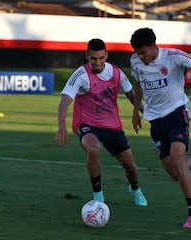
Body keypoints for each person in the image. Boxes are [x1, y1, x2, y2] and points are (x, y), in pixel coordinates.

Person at [129, 28, 191, 228]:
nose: (140, 57)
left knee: (177, 158)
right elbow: (138, 84)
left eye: (143, 52)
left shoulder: (173, 57)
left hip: (176, 114)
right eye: (137, 53)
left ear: (153, 45)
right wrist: (135, 111)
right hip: (155, 122)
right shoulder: (135, 61)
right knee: (176, 173)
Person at [54, 38, 147, 206]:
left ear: (106, 56)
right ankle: (98, 195)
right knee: (93, 149)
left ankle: (135, 189)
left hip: (112, 126)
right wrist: (62, 127)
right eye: (93, 59)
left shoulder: (117, 73)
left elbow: (132, 96)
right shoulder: (80, 75)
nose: (97, 62)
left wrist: (147, 114)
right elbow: (64, 103)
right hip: (87, 124)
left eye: (101, 58)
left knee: (130, 167)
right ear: (87, 56)